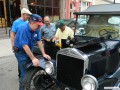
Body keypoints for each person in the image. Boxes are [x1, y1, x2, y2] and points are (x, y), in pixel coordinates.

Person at [13, 14, 51, 90]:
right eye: (38, 25)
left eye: (40, 25)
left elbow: (39, 41)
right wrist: (33, 58)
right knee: (24, 74)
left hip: (29, 50)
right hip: (20, 52)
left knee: (31, 69)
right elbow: (24, 45)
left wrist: (43, 53)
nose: (40, 27)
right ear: (32, 23)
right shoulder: (23, 28)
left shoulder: (36, 29)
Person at [10, 8, 32, 77]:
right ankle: (21, 76)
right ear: (23, 14)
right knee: (21, 62)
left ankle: (23, 75)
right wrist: (13, 45)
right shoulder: (16, 22)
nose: (28, 16)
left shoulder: (27, 22)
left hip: (26, 46)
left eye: (29, 15)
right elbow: (12, 34)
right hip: (19, 46)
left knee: (25, 62)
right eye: (27, 15)